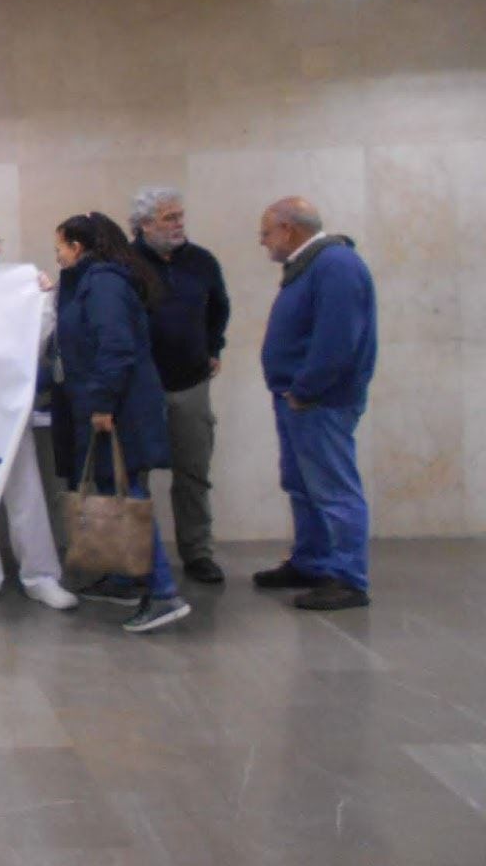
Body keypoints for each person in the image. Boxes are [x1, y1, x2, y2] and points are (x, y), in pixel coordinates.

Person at [54, 212, 190, 633]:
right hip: (118, 407)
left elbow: (115, 347)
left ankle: (163, 592)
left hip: (120, 412)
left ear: (78, 247)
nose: (56, 255)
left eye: (59, 246)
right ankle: (127, 576)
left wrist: (101, 404)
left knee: (126, 495)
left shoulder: (105, 286)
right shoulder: (97, 281)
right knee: (118, 492)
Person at [0, 216, 78, 614]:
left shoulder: (14, 287)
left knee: (25, 494)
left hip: (9, 407)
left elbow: (34, 340)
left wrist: (45, 300)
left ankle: (41, 576)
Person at [254, 197, 377, 610]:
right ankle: (311, 561)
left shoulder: (336, 266)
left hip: (318, 402)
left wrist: (306, 389)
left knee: (333, 490)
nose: (263, 242)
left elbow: (338, 339)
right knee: (302, 485)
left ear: (288, 230)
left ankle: (347, 577)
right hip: (298, 399)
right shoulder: (311, 266)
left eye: (266, 232)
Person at [130, 187, 230, 585]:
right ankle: (136, 556)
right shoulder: (126, 264)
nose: (178, 224)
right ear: (143, 225)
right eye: (168, 218)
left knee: (193, 471)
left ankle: (197, 551)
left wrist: (213, 346)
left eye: (179, 216)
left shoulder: (201, 261)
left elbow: (219, 307)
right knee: (135, 475)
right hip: (141, 386)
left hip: (190, 382)